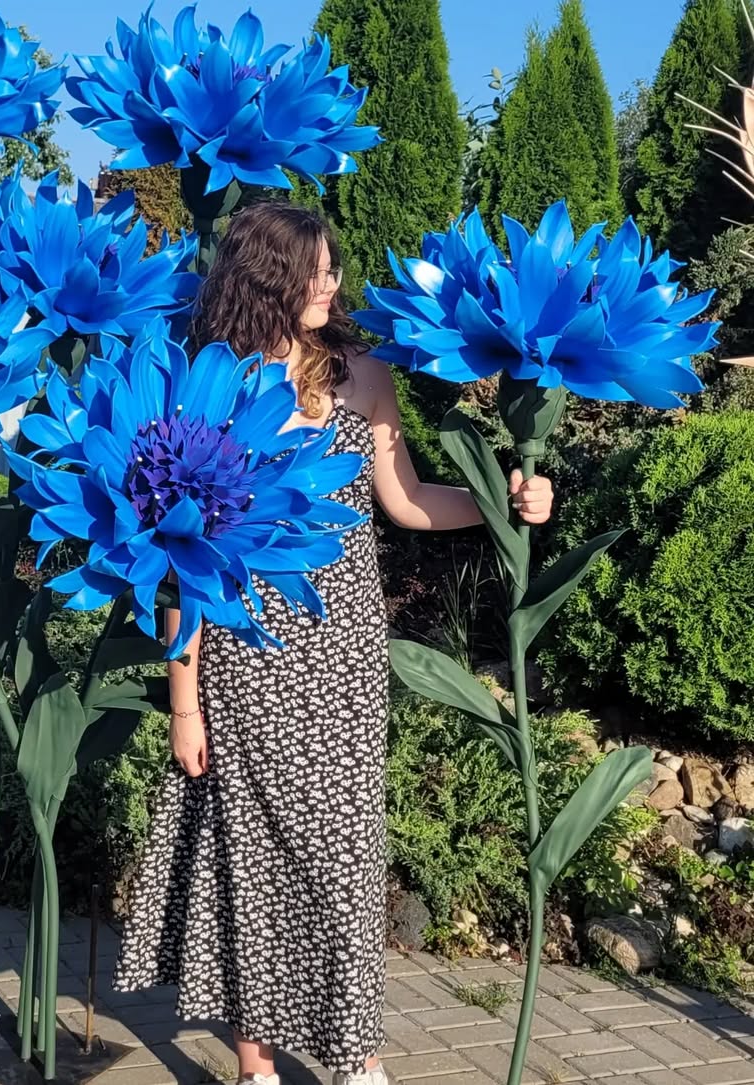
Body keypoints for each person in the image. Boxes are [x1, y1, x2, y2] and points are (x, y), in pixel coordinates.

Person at [113, 202, 554, 1085]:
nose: (329, 284)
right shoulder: (213, 385)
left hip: (345, 651)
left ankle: (354, 1054)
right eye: (310, 270)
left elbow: (408, 499)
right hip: (244, 649)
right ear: (263, 276)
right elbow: (178, 559)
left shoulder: (363, 374)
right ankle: (255, 1064)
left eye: (332, 268)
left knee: (344, 858)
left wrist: (504, 504)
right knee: (249, 852)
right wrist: (183, 702)